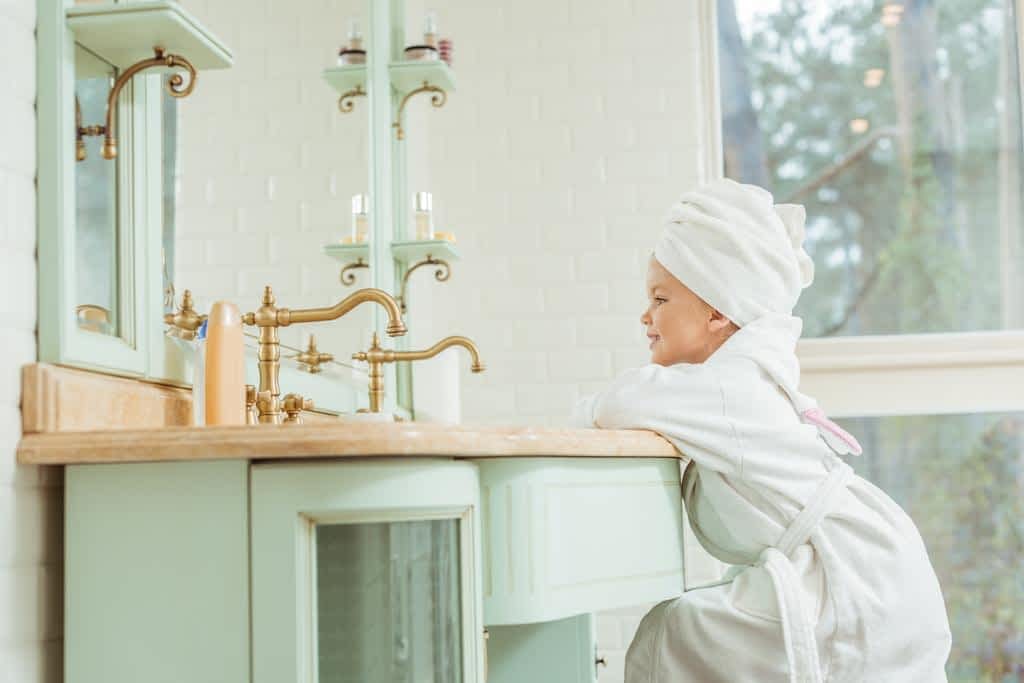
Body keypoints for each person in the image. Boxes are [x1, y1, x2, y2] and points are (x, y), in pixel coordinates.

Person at [573, 178, 951, 682]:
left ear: (716, 310)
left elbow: (621, 401)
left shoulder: (726, 389)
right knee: (681, 631)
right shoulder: (742, 379)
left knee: (674, 633)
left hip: (851, 571)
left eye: (661, 299)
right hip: (874, 561)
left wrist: (577, 418)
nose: (646, 316)